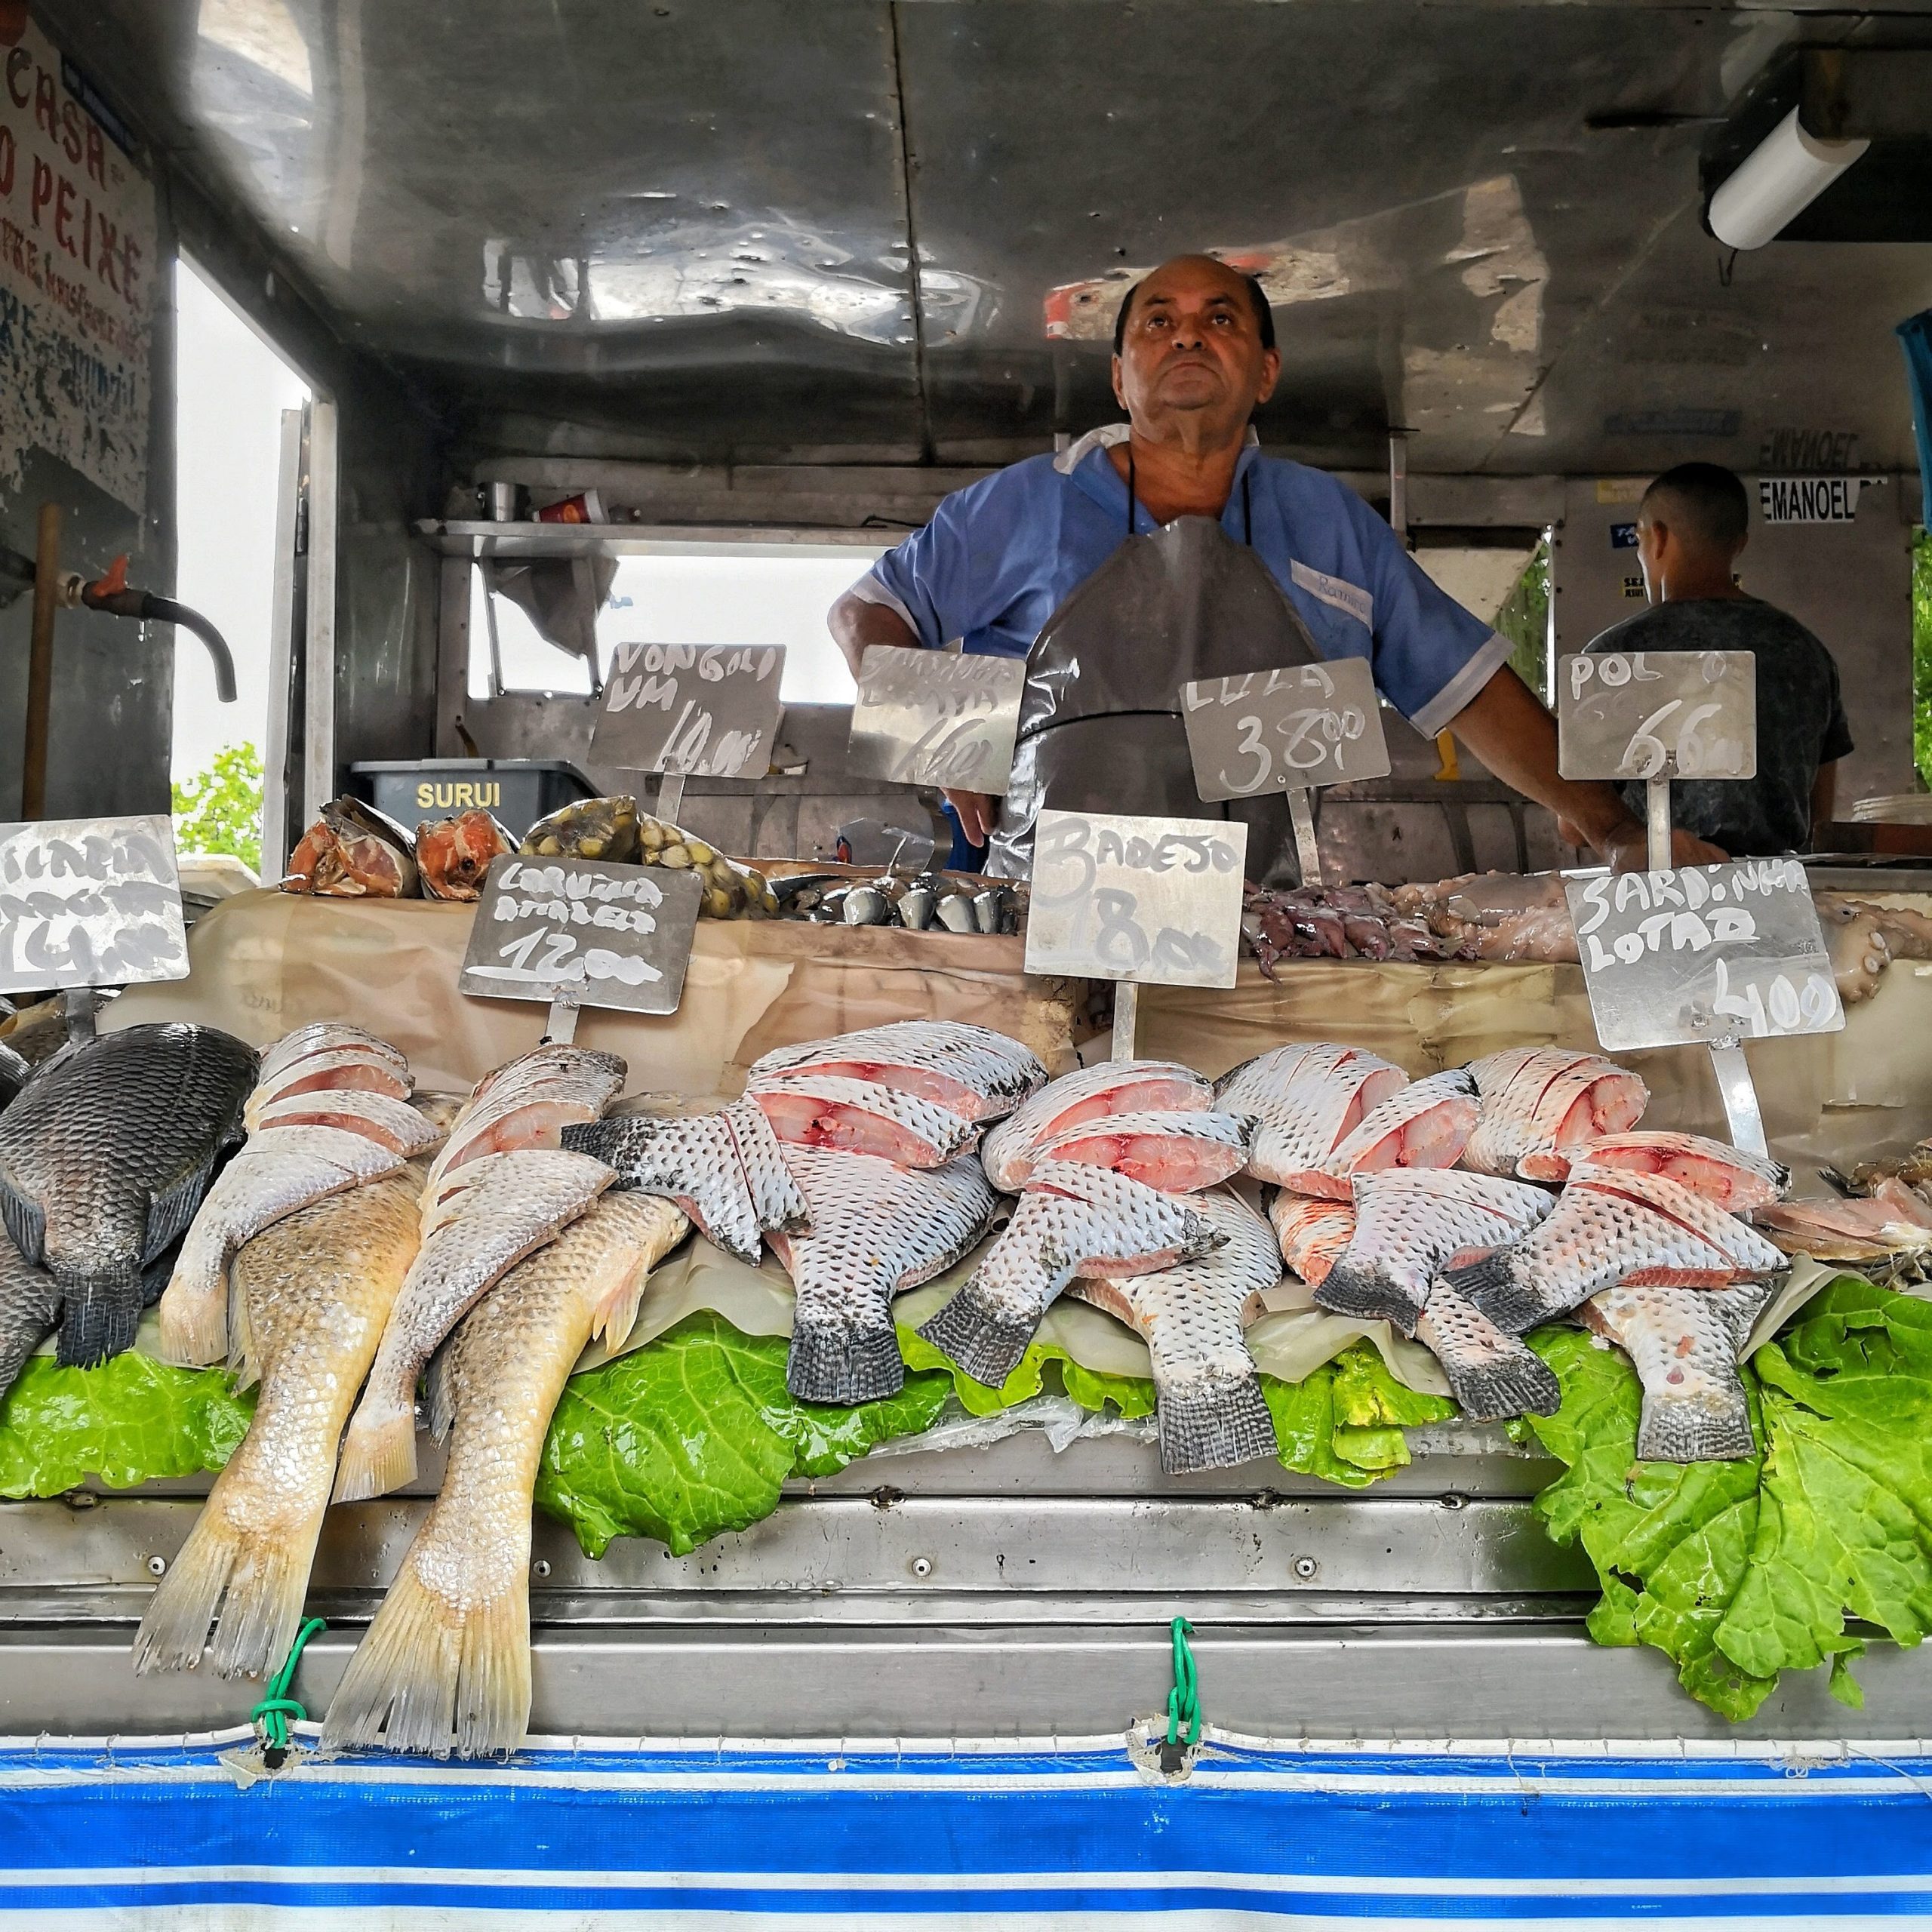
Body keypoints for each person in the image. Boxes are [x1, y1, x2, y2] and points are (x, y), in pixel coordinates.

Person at [829, 252, 1706, 880]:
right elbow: (866, 610)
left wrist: (1616, 828)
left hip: (1262, 928)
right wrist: (939, 733)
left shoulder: (1324, 519)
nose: (1188, 339)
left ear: (1267, 372)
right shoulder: (1024, 503)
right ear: (1119, 378)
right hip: (1034, 905)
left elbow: (1468, 686)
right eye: (1158, 323)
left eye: (1221, 320)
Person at [1581, 463, 1852, 857]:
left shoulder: (1614, 656)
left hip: (1651, 898)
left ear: (1657, 538)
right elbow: (1820, 814)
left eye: (1638, 540)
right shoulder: (1808, 652)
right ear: (1739, 543)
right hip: (1776, 890)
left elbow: (1574, 825)